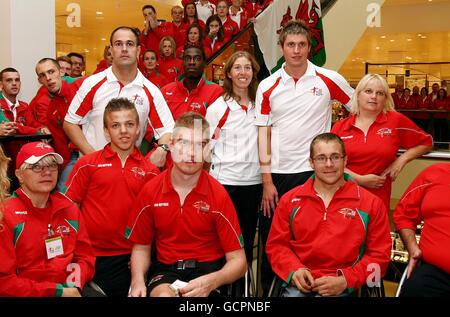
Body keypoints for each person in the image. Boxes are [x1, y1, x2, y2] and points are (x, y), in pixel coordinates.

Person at [254, 19, 354, 295]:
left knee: (318, 240)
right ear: (281, 48)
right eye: (290, 45)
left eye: (301, 45)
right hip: (278, 177)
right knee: (273, 241)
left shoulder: (329, 78)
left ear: (310, 47)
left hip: (318, 175)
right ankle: (270, 293)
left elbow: (358, 109)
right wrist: (266, 181)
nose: (296, 50)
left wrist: (341, 144)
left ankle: (321, 288)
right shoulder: (267, 85)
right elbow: (262, 135)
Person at [126, 112, 247, 297]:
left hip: (208, 272)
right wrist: (137, 282)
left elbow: (239, 261)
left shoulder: (219, 195)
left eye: (200, 145)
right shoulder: (150, 191)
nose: (192, 153)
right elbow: (141, 248)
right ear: (171, 146)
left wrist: (212, 281)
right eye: (184, 143)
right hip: (166, 271)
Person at [266, 132, 392, 297]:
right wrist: (294, 270)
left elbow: (379, 256)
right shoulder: (290, 200)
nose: (329, 164)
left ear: (345, 161)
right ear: (311, 163)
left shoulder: (371, 204)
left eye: (335, 157)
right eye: (321, 158)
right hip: (300, 282)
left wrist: (347, 280)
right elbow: (276, 246)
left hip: (344, 285)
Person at [64, 98, 160, 297]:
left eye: (129, 124)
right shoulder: (87, 164)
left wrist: (144, 255)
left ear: (138, 129)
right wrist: (74, 251)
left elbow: (153, 219)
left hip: (131, 258)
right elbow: (69, 209)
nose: (123, 131)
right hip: (89, 256)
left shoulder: (150, 171)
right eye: (115, 125)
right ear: (106, 131)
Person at [64, 26, 174, 169]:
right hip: (92, 170)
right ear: (111, 50)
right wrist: (93, 157)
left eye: (129, 44)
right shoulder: (92, 83)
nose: (124, 49)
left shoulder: (151, 91)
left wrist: (162, 149)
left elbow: (168, 130)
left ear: (138, 50)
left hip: (129, 173)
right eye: (118, 44)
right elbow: (70, 123)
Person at [0, 142, 96, 297]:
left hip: (68, 289)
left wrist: (73, 286)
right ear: (19, 174)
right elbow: (4, 282)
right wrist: (57, 292)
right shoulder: (5, 215)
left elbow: (84, 258)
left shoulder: (69, 209)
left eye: (52, 165)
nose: (47, 172)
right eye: (37, 167)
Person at [331, 73, 433, 210]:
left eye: (380, 93)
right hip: (342, 198)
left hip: (377, 200)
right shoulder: (340, 127)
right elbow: (330, 164)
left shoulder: (395, 121)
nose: (374, 96)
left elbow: (426, 142)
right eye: (368, 91)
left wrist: (401, 160)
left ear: (385, 98)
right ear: (358, 95)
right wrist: (359, 179)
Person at [205, 51, 261, 264]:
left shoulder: (261, 106)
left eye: (247, 67)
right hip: (225, 183)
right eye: (237, 67)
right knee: (222, 241)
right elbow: (206, 149)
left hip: (253, 183)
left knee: (245, 241)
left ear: (253, 72)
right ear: (228, 73)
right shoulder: (218, 108)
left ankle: (241, 289)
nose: (243, 72)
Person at [393, 163, 450, 297]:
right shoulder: (434, 173)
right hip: (434, 272)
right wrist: (413, 249)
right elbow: (403, 215)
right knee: (414, 288)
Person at [161, 44, 222, 121]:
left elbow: (215, 126)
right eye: (187, 58)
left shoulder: (215, 91)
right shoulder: (166, 90)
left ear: (204, 64)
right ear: (182, 63)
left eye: (197, 58)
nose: (191, 62)